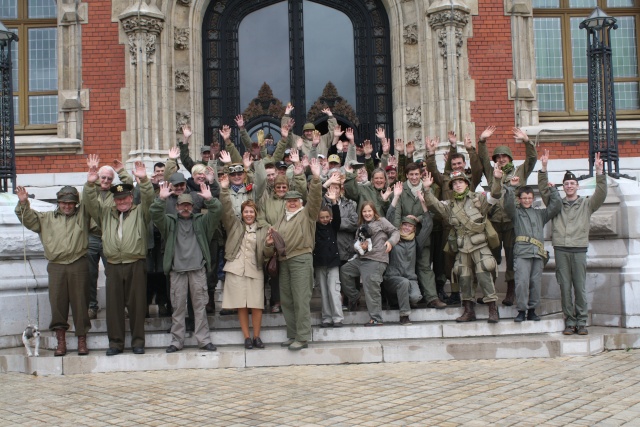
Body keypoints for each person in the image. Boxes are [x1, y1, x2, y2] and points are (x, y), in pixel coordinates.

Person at [84, 159, 154, 356]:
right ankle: (115, 343)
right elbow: (90, 204)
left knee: (137, 305)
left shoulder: (141, 212)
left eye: (125, 198)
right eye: (118, 199)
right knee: (114, 308)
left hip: (135, 263)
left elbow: (149, 198)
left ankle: (138, 342)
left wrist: (144, 180)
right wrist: (90, 184)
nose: (122, 202)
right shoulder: (106, 214)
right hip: (114, 264)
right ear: (114, 200)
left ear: (131, 198)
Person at [15, 182, 92, 356]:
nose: (67, 206)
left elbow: (91, 202)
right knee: (57, 303)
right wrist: (23, 203)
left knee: (80, 303)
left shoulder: (83, 215)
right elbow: (28, 219)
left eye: (71, 203)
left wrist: (90, 182)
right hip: (56, 265)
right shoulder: (47, 218)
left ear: (76, 204)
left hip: (78, 263)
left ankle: (82, 340)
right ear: (58, 202)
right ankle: (61, 341)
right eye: (64, 202)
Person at [422, 164, 504, 323]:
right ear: (451, 187)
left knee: (484, 274)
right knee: (464, 278)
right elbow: (434, 205)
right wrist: (426, 189)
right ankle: (468, 310)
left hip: (480, 245)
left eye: (461, 182)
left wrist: (497, 179)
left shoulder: (478, 198)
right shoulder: (450, 206)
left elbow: (495, 195)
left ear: (467, 183)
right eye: (454, 183)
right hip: (462, 247)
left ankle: (493, 309)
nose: (458, 185)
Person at [539, 152, 607, 336]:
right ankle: (569, 322)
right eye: (566, 184)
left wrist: (599, 172)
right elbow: (545, 192)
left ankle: (581, 321)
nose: (569, 186)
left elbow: (601, 194)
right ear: (563, 187)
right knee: (565, 287)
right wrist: (544, 169)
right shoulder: (557, 204)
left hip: (578, 249)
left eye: (572, 183)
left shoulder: (587, 204)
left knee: (579, 287)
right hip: (561, 249)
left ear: (577, 186)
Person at [150, 182, 221, 353]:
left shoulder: (202, 221)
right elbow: (155, 213)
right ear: (176, 206)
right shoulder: (169, 223)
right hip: (177, 271)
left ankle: (203, 340)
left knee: (199, 307)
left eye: (188, 205)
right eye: (182, 205)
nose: (185, 208)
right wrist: (161, 199)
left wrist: (210, 199)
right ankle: (176, 341)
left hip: (197, 270)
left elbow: (217, 211)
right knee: (178, 307)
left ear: (193, 207)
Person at [478, 127, 538, 306]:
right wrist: (482, 141)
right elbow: (482, 158)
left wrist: (527, 142)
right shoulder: (492, 172)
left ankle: (511, 293)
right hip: (494, 223)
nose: (501, 159)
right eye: (497, 157)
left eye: (504, 156)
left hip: (513, 223)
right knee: (490, 258)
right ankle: (490, 292)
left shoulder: (520, 172)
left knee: (512, 257)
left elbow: (532, 159)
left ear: (510, 158)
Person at [268, 158, 323, 351]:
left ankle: (302, 336)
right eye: (289, 201)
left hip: (301, 259)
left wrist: (316, 178)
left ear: (300, 202)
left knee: (301, 298)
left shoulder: (307, 214)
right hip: (284, 261)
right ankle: (292, 334)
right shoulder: (282, 218)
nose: (291, 203)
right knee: (288, 300)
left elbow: (315, 199)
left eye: (295, 201)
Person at [425, 133, 484, 306]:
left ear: (464, 164)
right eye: (454, 164)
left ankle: (469, 295)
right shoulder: (445, 180)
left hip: (467, 230)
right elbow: (432, 171)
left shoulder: (469, 180)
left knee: (468, 262)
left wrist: (469, 149)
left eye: (459, 163)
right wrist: (431, 153)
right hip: (448, 229)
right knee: (449, 263)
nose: (457, 166)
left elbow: (478, 168)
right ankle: (455, 292)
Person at [503, 149, 562, 322]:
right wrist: (511, 188)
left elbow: (555, 207)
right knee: (521, 283)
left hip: (537, 253)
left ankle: (532, 310)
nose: (527, 200)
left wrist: (554, 191)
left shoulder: (539, 214)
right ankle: (521, 310)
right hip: (522, 252)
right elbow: (508, 204)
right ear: (520, 199)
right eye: (524, 198)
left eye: (529, 197)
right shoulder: (516, 213)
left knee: (535, 283)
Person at [219, 174, 272, 349]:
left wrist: (269, 245)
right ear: (241, 214)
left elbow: (266, 252)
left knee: (257, 305)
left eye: (251, 212)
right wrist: (225, 189)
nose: (248, 214)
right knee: (241, 305)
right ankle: (247, 337)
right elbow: (226, 209)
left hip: (255, 269)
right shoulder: (234, 225)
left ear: (255, 214)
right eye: (245, 212)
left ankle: (257, 336)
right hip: (236, 269)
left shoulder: (262, 229)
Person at [387, 162, 446, 309]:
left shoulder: (428, 189)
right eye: (411, 174)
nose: (414, 177)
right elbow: (397, 213)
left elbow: (434, 210)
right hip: (402, 236)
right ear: (406, 175)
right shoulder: (401, 189)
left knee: (424, 266)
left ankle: (432, 298)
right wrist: (396, 233)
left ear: (421, 175)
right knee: (400, 267)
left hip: (422, 235)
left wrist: (418, 219)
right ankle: (399, 299)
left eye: (416, 174)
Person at [340, 201, 400, 326]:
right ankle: (355, 296)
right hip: (361, 259)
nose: (367, 213)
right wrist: (359, 246)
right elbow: (356, 242)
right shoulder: (361, 226)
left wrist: (390, 242)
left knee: (371, 288)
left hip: (376, 259)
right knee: (345, 271)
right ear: (361, 213)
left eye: (369, 211)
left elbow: (395, 232)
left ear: (374, 211)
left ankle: (376, 319)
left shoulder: (381, 221)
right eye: (364, 211)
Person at [86, 159, 133, 319]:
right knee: (90, 273)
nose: (106, 181)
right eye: (103, 177)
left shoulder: (116, 191)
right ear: (97, 177)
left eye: (109, 178)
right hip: (92, 236)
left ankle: (121, 305)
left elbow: (130, 186)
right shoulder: (89, 190)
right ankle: (92, 306)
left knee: (114, 273)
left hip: (111, 237)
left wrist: (121, 171)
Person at [384, 182, 432, 325]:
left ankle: (398, 300)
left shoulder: (416, 242)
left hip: (410, 279)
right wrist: (396, 197)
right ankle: (404, 315)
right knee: (402, 283)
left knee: (416, 297)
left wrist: (423, 204)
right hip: (392, 278)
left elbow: (428, 225)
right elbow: (389, 218)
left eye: (410, 226)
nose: (406, 228)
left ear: (413, 229)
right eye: (404, 225)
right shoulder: (393, 238)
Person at [313, 186, 344, 328]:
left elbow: (337, 217)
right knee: (324, 293)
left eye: (327, 217)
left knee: (334, 291)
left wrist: (334, 202)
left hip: (332, 263)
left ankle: (337, 317)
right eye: (322, 217)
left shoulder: (333, 227)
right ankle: (326, 318)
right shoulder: (314, 228)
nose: (325, 220)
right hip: (319, 263)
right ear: (318, 218)